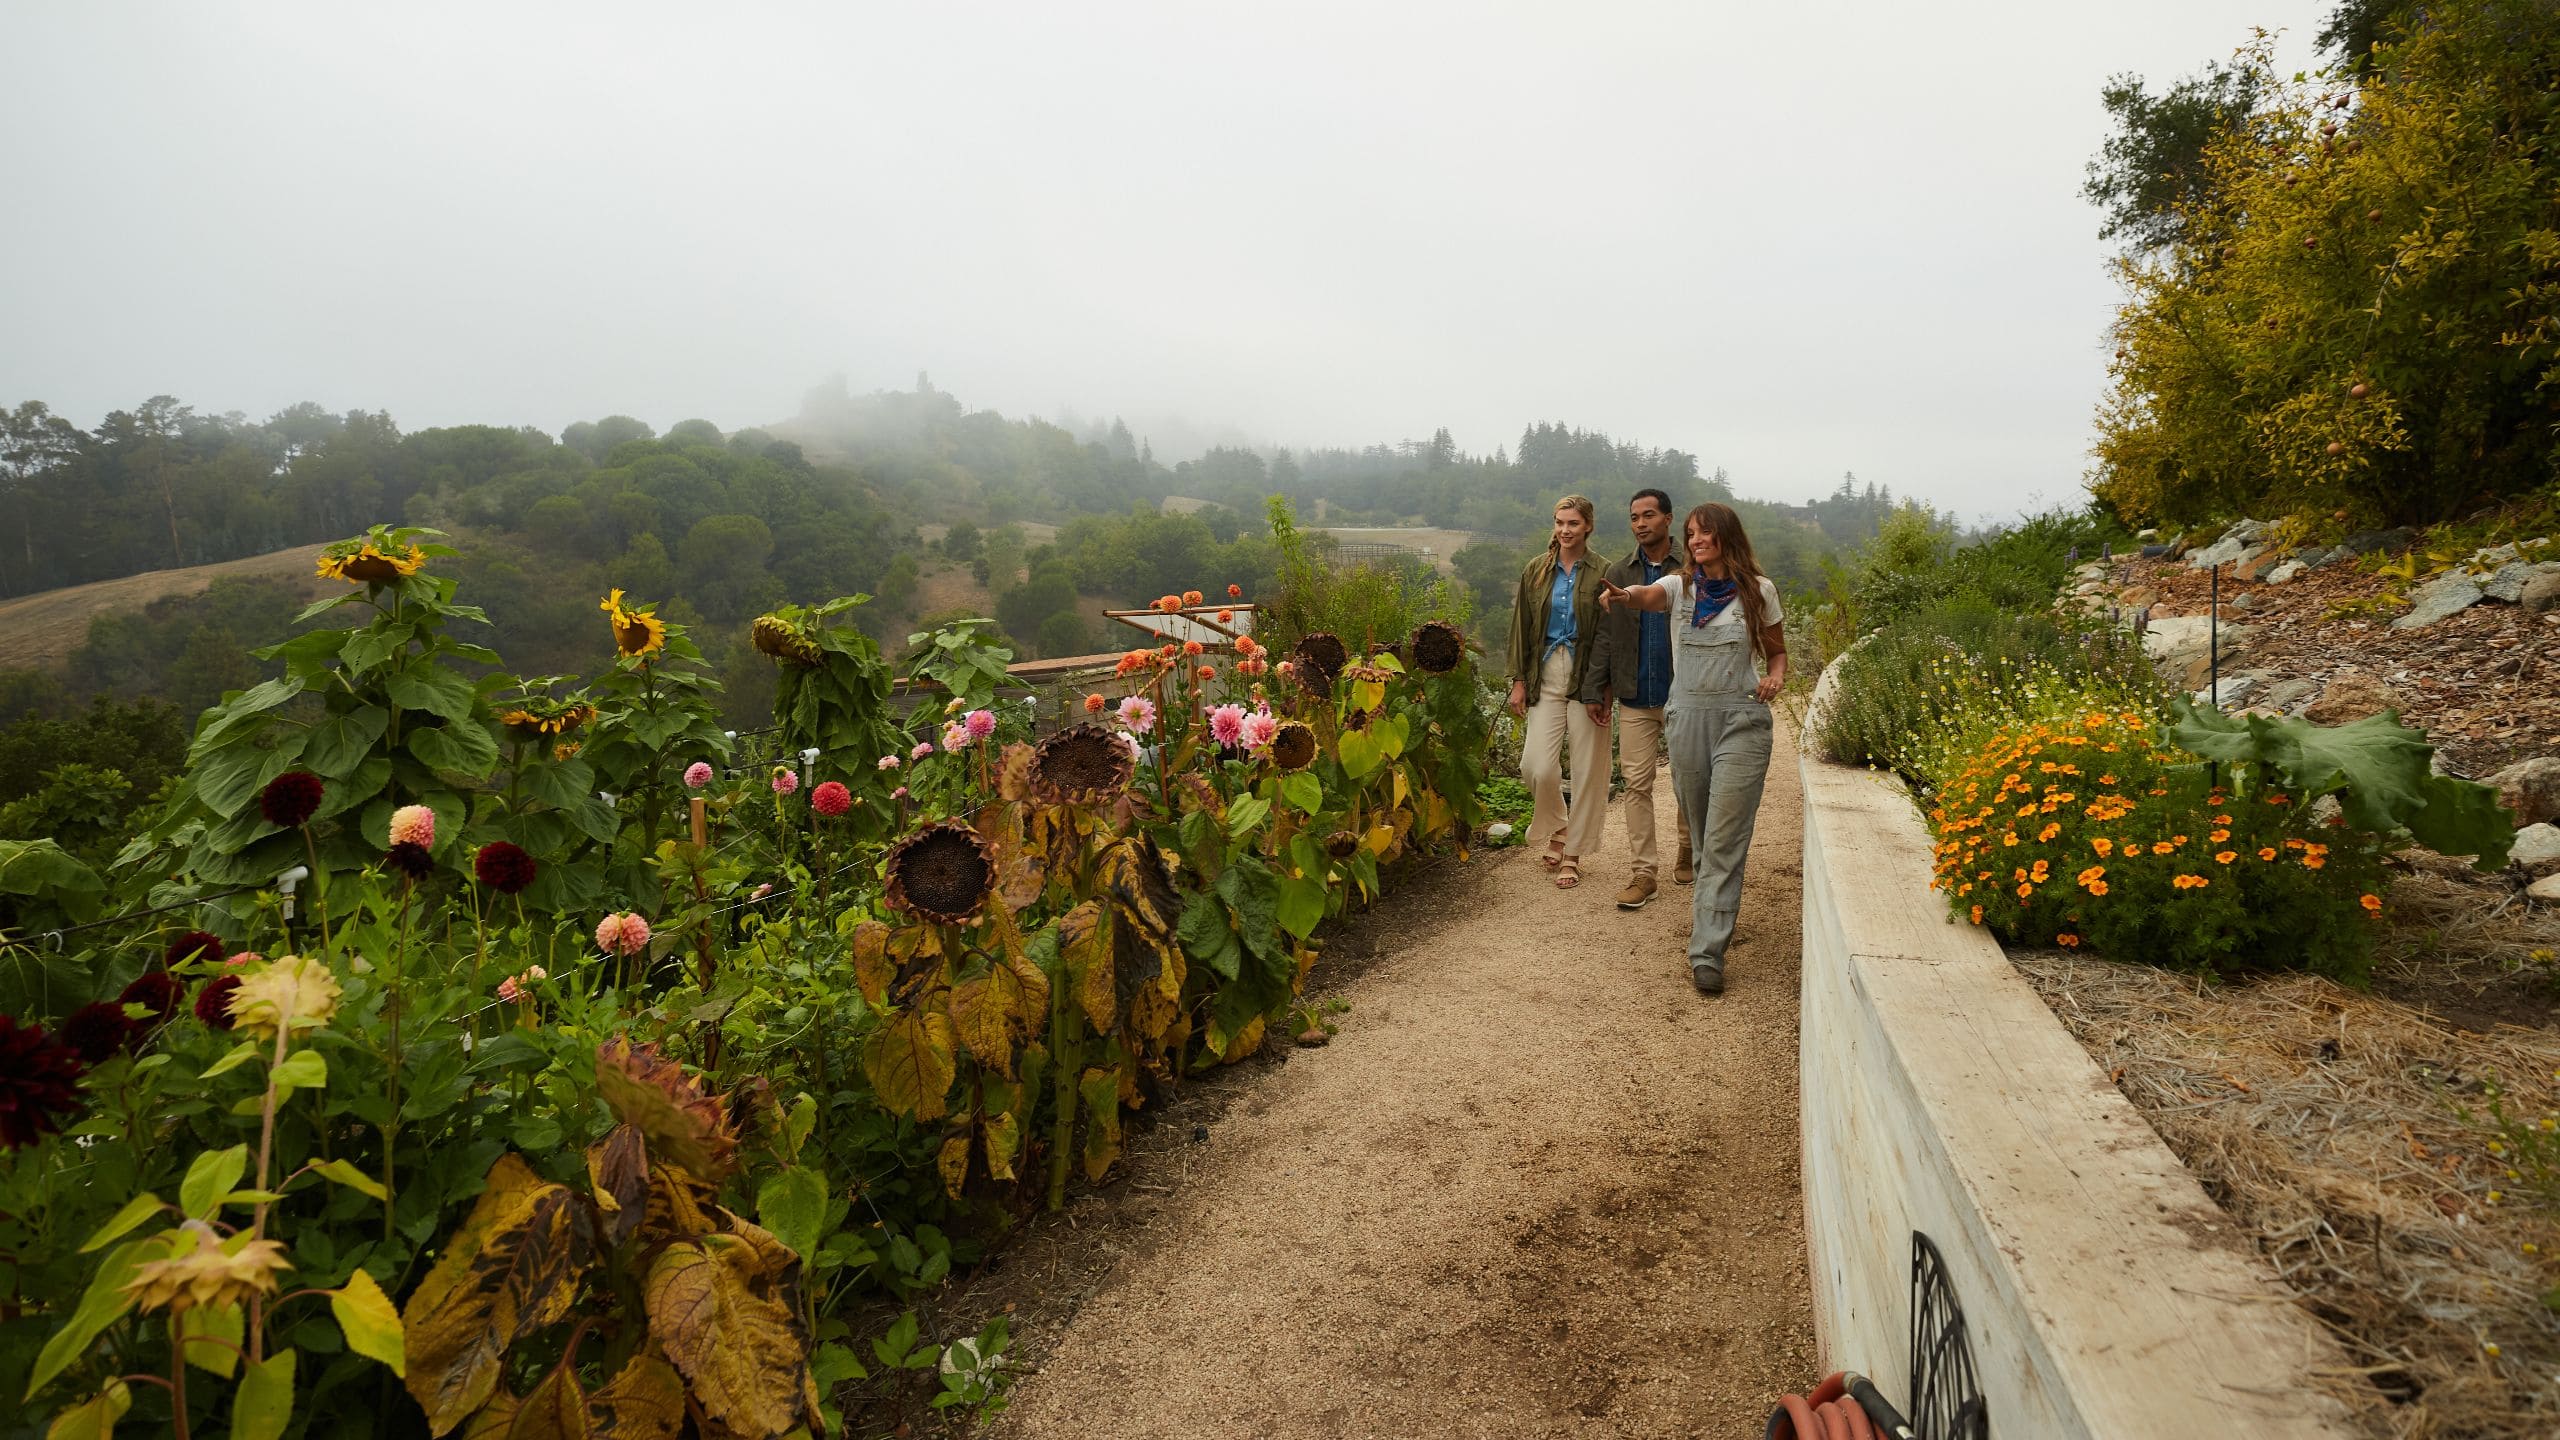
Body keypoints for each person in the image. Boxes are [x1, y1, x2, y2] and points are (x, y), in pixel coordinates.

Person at [1598, 502, 1788, 994]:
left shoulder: (1758, 591)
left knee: (1724, 838)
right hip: (1688, 721)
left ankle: (1707, 951)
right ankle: (1716, 911)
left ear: (1726, 536)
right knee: (1703, 837)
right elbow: (1646, 595)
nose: (1696, 539)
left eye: (1704, 532)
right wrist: (1626, 596)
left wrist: (1774, 676)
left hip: (1742, 722)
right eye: (1691, 533)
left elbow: (1777, 651)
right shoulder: (1680, 587)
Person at [1582, 488, 1691, 911]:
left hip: (1681, 694)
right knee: (1636, 785)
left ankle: (1688, 847)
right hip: (1633, 694)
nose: (1641, 523)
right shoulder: (1619, 571)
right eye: (1634, 517)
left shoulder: (1690, 569)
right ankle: (1644, 873)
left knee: (1687, 780)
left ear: (1668, 519)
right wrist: (1597, 688)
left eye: (1649, 515)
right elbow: (1606, 635)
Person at [1506, 494, 1610, 890]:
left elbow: (1609, 633)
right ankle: (1560, 824)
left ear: (1588, 527)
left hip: (1588, 678)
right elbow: (1520, 626)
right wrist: (1517, 680)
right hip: (1544, 674)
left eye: (1573, 523)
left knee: (1587, 770)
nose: (1565, 530)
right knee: (1536, 767)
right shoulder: (1536, 570)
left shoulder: (1604, 571)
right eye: (1559, 522)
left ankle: (1573, 853)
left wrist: (1606, 687)